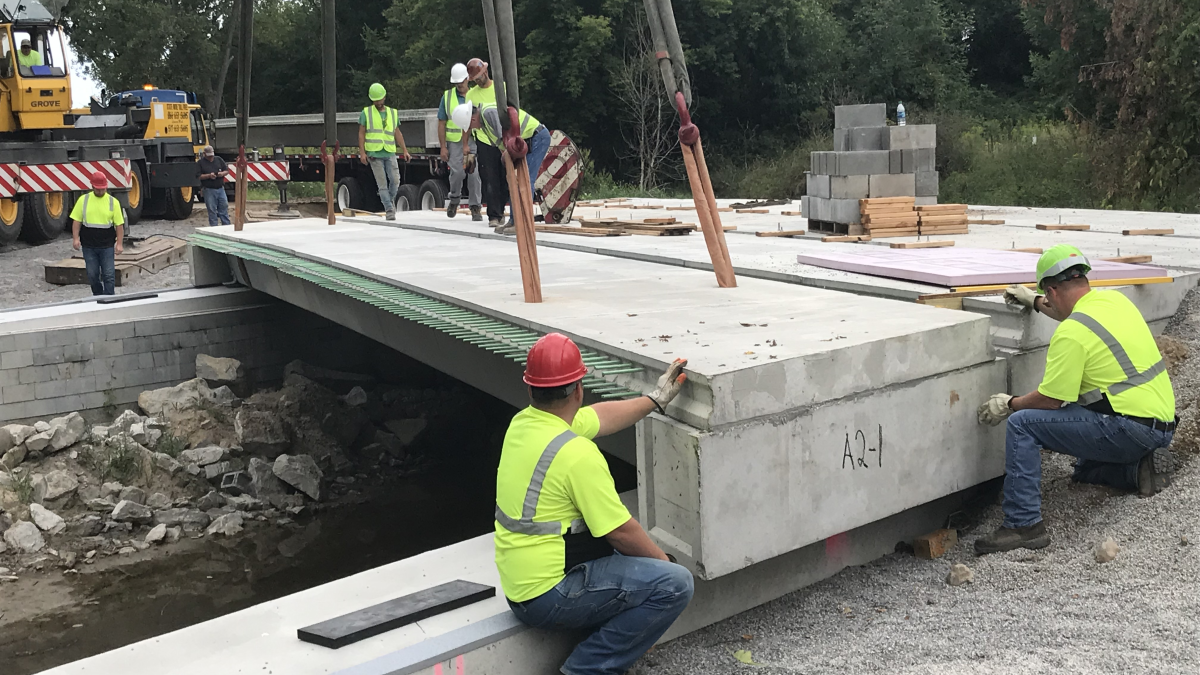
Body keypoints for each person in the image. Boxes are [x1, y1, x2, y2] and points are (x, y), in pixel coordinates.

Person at [496, 333, 694, 675]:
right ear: (578, 389)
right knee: (674, 584)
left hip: (519, 587)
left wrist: (654, 400)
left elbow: (599, 417)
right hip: (549, 596)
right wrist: (665, 563)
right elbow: (621, 532)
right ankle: (586, 669)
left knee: (626, 561)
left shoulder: (523, 424)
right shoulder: (577, 454)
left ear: (531, 390)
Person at [975, 244, 1176, 554]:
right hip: (1161, 424)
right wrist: (1034, 301)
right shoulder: (1115, 301)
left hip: (1128, 428)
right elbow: (1075, 316)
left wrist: (1009, 403)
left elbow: (1051, 400)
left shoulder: (1071, 333)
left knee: (1022, 424)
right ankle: (1139, 470)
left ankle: (1023, 525)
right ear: (1082, 278)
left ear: (1052, 290)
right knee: (1084, 468)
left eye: (1046, 296)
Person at [452, 101, 549, 236]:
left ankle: (522, 223)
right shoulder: (485, 124)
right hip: (525, 141)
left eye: (470, 126)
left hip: (537, 137)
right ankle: (514, 220)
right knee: (513, 181)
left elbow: (506, 137)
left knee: (525, 182)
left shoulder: (488, 114)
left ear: (472, 119)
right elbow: (501, 145)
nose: (472, 128)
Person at [358, 83, 411, 221]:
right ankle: (389, 209)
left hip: (389, 152)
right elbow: (361, 133)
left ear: (384, 97)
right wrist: (362, 152)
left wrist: (405, 150)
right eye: (375, 100)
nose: (377, 102)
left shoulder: (392, 113)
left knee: (395, 180)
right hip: (374, 154)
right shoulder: (366, 113)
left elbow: (397, 133)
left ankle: (389, 200)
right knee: (382, 184)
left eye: (379, 99)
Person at [438, 63, 482, 222]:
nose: (459, 85)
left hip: (472, 140)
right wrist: (443, 147)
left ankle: (475, 206)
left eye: (461, 81)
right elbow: (441, 122)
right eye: (456, 82)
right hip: (454, 142)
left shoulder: (475, 94)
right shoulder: (447, 97)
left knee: (473, 173)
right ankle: (455, 199)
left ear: (467, 78)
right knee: (457, 173)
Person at [465, 58, 506, 228]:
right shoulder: (471, 95)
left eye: (478, 77)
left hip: (503, 140)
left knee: (504, 177)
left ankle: (501, 211)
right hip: (484, 141)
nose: (477, 81)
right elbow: (467, 121)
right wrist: (466, 146)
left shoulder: (501, 88)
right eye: (474, 79)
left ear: (485, 72)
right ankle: (494, 216)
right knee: (490, 178)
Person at [70, 171, 125, 296]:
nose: (101, 191)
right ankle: (98, 296)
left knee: (109, 275)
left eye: (103, 189)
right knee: (92, 275)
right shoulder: (83, 200)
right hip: (89, 245)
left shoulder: (113, 202)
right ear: (92, 186)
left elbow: (119, 225)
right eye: (98, 189)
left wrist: (119, 243)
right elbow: (77, 221)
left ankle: (109, 299)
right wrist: (75, 238)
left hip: (107, 245)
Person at [197, 145, 231, 227]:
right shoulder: (200, 163)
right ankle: (214, 227)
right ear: (204, 154)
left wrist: (221, 174)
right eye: (209, 156)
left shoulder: (219, 159)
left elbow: (226, 170)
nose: (211, 158)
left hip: (220, 188)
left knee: (224, 207)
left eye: (212, 156)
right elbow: (198, 176)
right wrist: (209, 176)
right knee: (212, 210)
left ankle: (226, 226)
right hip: (208, 189)